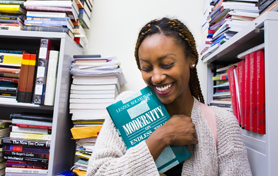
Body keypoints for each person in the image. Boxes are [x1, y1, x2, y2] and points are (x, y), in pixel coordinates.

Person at [86, 17, 252, 176]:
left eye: (167, 64)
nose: (156, 77)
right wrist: (162, 137)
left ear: (191, 59)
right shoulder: (124, 107)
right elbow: (97, 173)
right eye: (146, 68)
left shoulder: (222, 124)